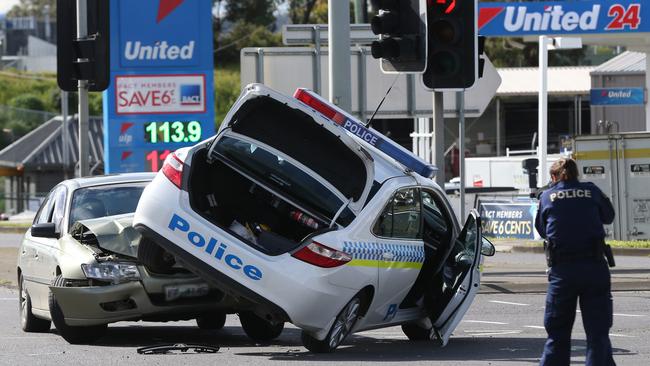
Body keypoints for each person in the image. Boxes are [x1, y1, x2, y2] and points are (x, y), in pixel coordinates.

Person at [535, 157, 616, 366]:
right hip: (594, 267)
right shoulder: (592, 191)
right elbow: (609, 216)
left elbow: (542, 230)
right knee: (598, 332)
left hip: (563, 272)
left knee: (558, 332)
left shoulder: (547, 196)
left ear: (553, 176)